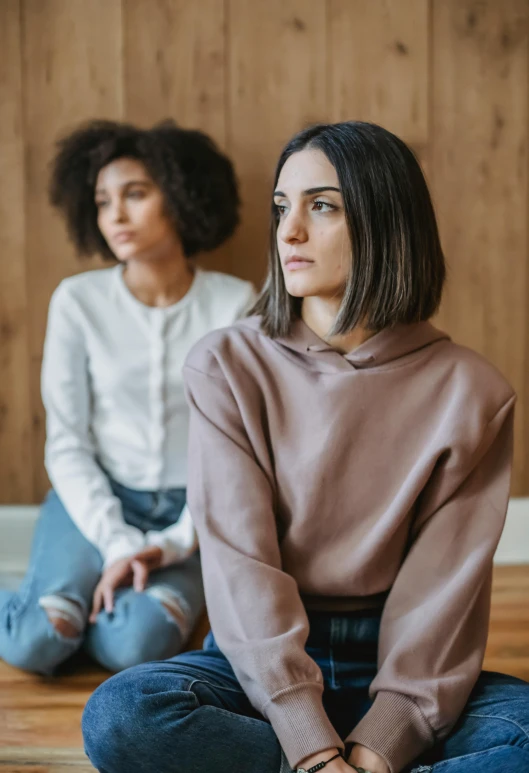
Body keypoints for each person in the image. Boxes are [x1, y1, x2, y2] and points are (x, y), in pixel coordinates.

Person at [82, 121, 529, 773]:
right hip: (258, 662)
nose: (288, 231)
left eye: (320, 206)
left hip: (409, 666)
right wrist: (314, 750)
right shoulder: (226, 363)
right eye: (280, 208)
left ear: (384, 219)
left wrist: (378, 747)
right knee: (123, 716)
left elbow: (442, 591)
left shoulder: (473, 389)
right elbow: (240, 564)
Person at [0, 119, 255, 676]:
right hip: (92, 495)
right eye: (102, 200)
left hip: (196, 511)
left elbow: (241, 453)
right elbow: (66, 442)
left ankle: (86, 599)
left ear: (183, 197)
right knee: (37, 641)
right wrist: (116, 543)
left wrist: (171, 544)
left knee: (134, 649)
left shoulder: (236, 305)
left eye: (135, 194)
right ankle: (69, 598)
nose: (114, 214)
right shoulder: (77, 301)